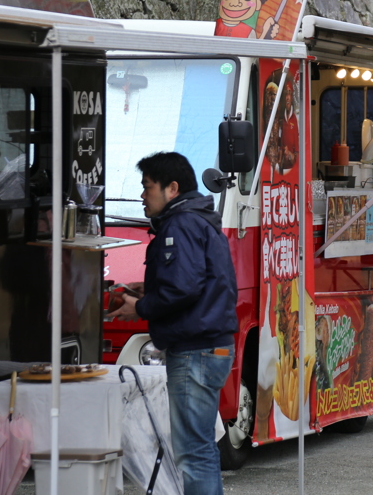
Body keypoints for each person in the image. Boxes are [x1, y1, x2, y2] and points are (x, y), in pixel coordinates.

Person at [110, 152, 238, 495]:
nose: (142, 195)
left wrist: (141, 306)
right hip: (210, 346)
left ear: (172, 188)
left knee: (193, 452)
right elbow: (194, 280)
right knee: (200, 447)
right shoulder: (197, 219)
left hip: (196, 350)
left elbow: (184, 288)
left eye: (147, 187)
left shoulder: (180, 224)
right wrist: (149, 289)